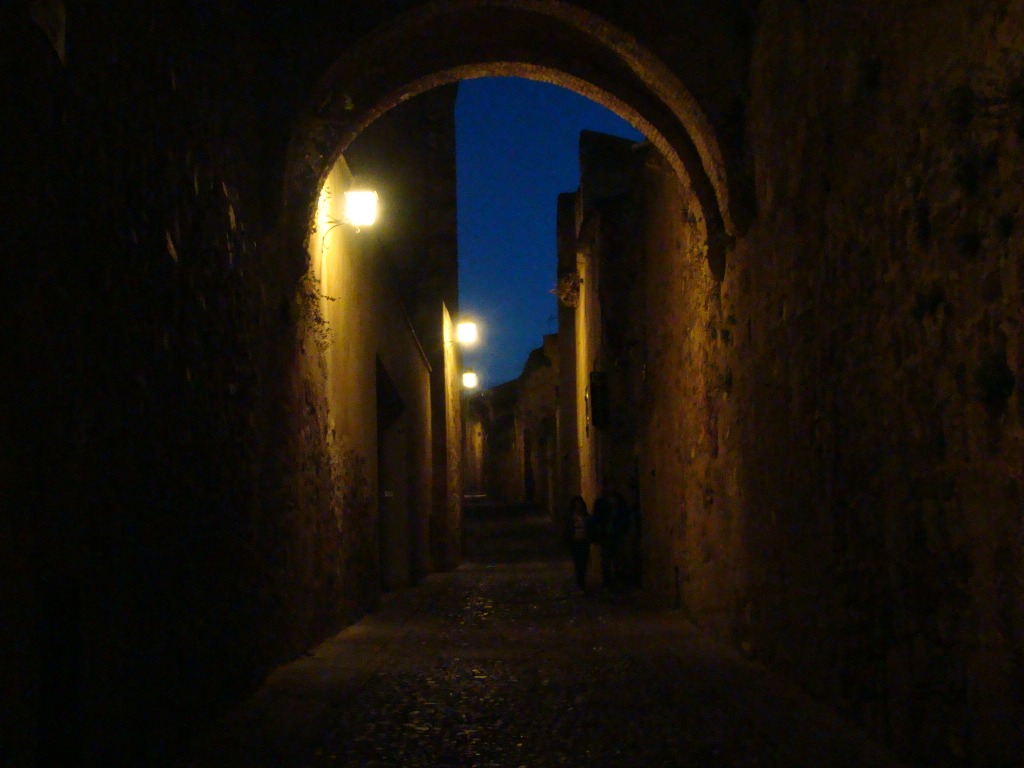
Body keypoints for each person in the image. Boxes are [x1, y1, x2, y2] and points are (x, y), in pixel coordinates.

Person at [591, 479, 628, 588]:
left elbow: (625, 515)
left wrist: (623, 529)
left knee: (617, 557)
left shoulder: (620, 500)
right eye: (609, 486)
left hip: (617, 533)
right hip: (605, 534)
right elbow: (596, 517)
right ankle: (607, 581)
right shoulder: (600, 502)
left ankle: (618, 580)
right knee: (606, 559)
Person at [564, 495, 591, 590]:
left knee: (584, 562)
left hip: (584, 541)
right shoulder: (570, 516)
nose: (578, 506)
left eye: (579, 504)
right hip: (575, 542)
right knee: (578, 562)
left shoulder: (586, 516)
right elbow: (567, 529)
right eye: (576, 504)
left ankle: (581, 580)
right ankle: (580, 582)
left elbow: (590, 527)